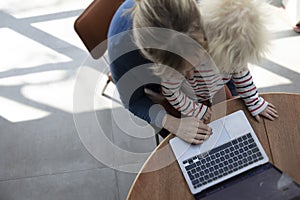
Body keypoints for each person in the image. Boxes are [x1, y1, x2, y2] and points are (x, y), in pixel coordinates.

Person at [131, 0, 278, 122]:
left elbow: (241, 72)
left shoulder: (229, 50)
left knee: (231, 123)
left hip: (215, 90)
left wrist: (254, 101)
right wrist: (196, 110)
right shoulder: (181, 56)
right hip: (189, 101)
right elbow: (170, 91)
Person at [108, 0, 213, 144]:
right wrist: (173, 124)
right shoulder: (121, 47)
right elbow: (133, 101)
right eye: (180, 71)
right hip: (160, 91)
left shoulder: (208, 10)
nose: (191, 76)